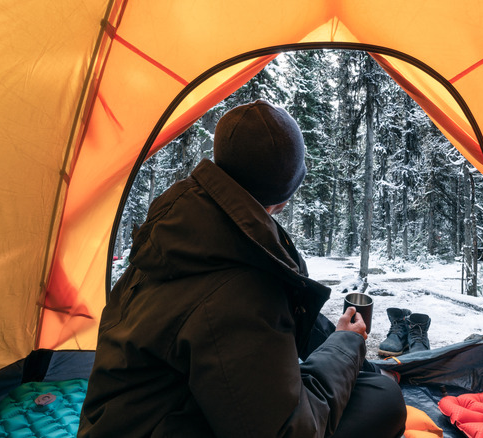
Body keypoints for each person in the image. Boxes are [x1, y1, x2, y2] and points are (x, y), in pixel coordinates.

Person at [78, 100, 407, 437]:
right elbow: (292, 431)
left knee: (340, 362)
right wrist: (347, 346)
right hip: (164, 424)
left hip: (123, 419)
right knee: (384, 399)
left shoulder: (178, 230)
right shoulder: (242, 288)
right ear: (282, 199)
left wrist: (335, 340)